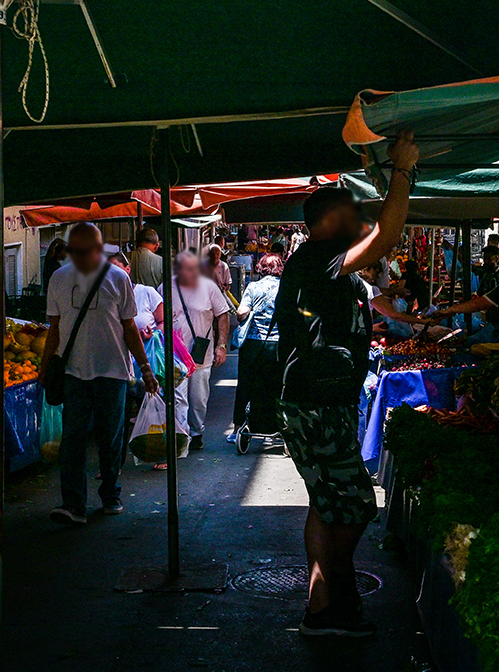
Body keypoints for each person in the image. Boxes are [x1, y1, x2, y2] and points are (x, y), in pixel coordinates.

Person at [275, 129, 419, 638]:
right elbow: (387, 236)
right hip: (319, 402)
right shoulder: (318, 256)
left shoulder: (326, 267)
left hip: (308, 399)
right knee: (357, 502)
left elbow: (364, 300)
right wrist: (401, 171)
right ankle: (335, 590)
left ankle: (324, 607)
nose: (358, 222)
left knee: (326, 500)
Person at [43, 223, 158, 525]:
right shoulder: (58, 279)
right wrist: (45, 368)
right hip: (72, 373)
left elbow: (129, 327)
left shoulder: (118, 278)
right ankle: (73, 505)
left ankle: (111, 494)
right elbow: (54, 329)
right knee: (73, 440)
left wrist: (145, 368)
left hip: (113, 372)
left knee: (110, 439)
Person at [171, 250, 230, 451]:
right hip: (175, 354)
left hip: (200, 354)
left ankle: (196, 431)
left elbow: (223, 315)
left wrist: (221, 346)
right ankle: (181, 434)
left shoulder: (208, 287)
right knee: (178, 397)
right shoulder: (166, 286)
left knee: (198, 398)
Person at [230, 253, 284, 442]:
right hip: (278, 345)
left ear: (261, 268)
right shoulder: (285, 287)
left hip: (253, 344)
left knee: (246, 384)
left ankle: (237, 428)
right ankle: (275, 427)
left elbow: (241, 312)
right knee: (276, 386)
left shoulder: (253, 287)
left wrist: (252, 311)